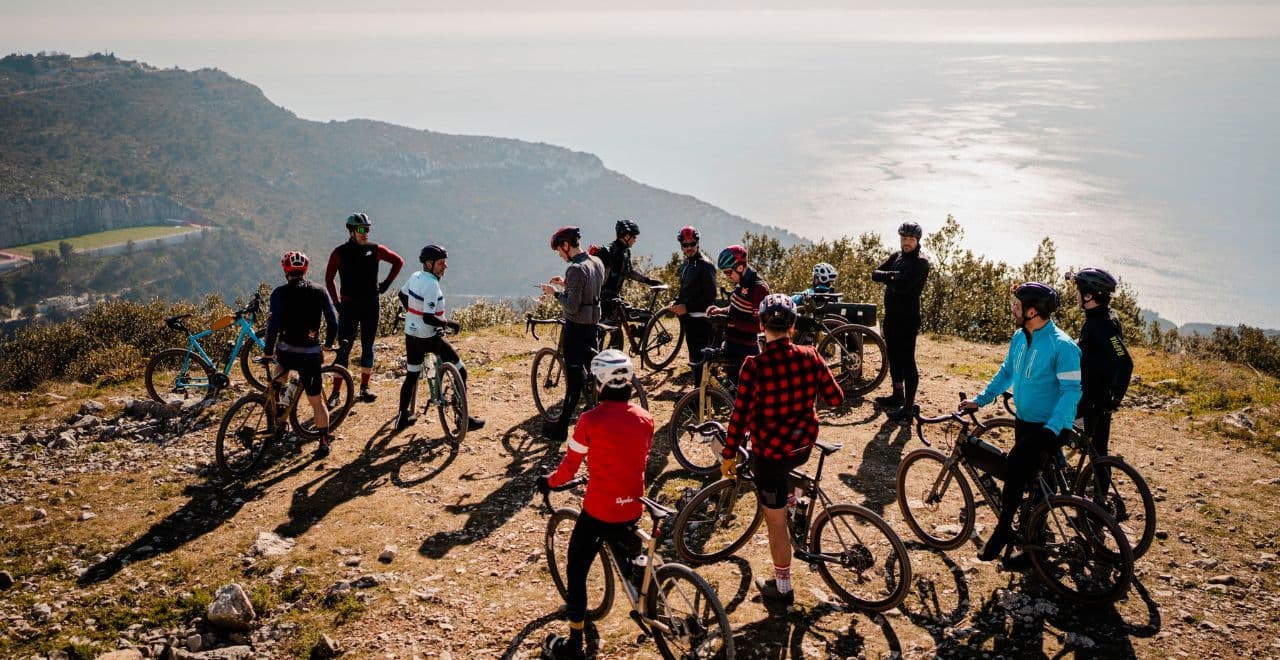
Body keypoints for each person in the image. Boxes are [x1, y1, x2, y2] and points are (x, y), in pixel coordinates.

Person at [719, 294, 844, 606]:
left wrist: (728, 454)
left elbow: (740, 416)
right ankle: (795, 502)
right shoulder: (812, 355)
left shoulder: (754, 365)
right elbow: (836, 399)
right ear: (793, 324)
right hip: (802, 446)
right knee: (787, 476)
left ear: (761, 325)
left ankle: (783, 587)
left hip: (770, 455)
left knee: (775, 525)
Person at [536, 350, 654, 660]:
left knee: (576, 569)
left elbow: (569, 468)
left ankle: (574, 644)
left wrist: (548, 482)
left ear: (598, 383)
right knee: (632, 555)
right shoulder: (646, 419)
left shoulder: (589, 421)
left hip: (600, 510)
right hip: (632, 505)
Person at [959, 282, 1081, 566]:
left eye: (1017, 305)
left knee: (1016, 474)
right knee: (1035, 482)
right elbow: (1007, 372)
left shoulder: (1062, 346)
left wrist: (1052, 429)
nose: (1013, 308)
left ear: (1033, 310)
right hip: (1025, 422)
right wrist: (981, 399)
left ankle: (1006, 532)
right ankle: (1032, 542)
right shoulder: (1020, 336)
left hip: (1049, 427)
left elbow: (1072, 392)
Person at [395, 244, 486, 432]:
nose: (445, 267)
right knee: (461, 371)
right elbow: (429, 318)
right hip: (428, 337)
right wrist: (450, 323)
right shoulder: (431, 284)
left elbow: (402, 295)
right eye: (441, 263)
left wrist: (412, 314)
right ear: (429, 264)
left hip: (411, 335)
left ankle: (402, 416)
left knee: (412, 376)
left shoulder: (415, 276)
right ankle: (462, 417)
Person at [264, 251, 339, 458]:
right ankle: (323, 442)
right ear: (305, 270)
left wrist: (268, 352)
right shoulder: (319, 291)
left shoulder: (279, 293)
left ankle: (279, 414)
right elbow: (333, 322)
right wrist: (328, 344)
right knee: (316, 401)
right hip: (310, 354)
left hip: (286, 352)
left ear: (285, 270)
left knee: (280, 373)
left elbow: (273, 326)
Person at [325, 212, 404, 403]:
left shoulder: (375, 249)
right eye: (362, 230)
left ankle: (364, 388)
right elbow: (329, 279)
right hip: (349, 306)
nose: (366, 233)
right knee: (344, 349)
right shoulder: (339, 252)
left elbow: (398, 261)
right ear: (352, 231)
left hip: (370, 305)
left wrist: (385, 284)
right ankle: (335, 393)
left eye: (368, 229)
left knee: (368, 347)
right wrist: (336, 303)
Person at [539, 226, 606, 443]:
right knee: (593, 371)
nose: (560, 254)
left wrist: (555, 293)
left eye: (560, 250)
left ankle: (560, 431)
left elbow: (572, 306)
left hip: (576, 328)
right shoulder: (596, 262)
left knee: (574, 384)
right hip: (593, 325)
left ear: (566, 246)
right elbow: (589, 288)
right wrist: (567, 284)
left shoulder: (575, 269)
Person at [1068, 267, 1133, 467]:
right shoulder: (1101, 317)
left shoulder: (1103, 324)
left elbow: (1124, 360)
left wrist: (1114, 398)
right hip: (1096, 396)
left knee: (1051, 431)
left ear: (1088, 295)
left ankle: (1094, 494)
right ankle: (1097, 493)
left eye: (1078, 290)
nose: (1075, 294)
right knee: (1097, 450)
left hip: (1093, 398)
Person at [871, 221, 931, 421]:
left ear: (917, 241)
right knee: (894, 358)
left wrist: (890, 278)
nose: (906, 242)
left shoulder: (921, 262)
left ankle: (908, 406)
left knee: (907, 361)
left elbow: (903, 287)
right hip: (891, 317)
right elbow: (875, 274)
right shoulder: (896, 257)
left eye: (910, 239)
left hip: (908, 319)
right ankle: (897, 395)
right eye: (904, 238)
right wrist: (893, 276)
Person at [706, 245, 769, 389]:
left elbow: (758, 326)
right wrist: (720, 311)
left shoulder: (759, 289)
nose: (727, 276)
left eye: (728, 272)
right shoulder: (741, 283)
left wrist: (732, 323)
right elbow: (737, 308)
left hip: (746, 350)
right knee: (732, 388)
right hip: (731, 344)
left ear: (740, 267)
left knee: (745, 392)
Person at [593, 219, 662, 351]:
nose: (635, 240)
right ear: (626, 236)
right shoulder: (609, 252)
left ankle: (613, 355)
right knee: (601, 329)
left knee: (616, 326)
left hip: (613, 297)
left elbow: (629, 272)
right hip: (604, 298)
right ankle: (598, 359)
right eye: (634, 237)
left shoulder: (625, 252)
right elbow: (602, 277)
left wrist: (647, 280)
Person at [665, 226, 716, 383]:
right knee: (695, 360)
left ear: (697, 243)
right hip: (689, 320)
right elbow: (686, 291)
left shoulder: (705, 265)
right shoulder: (686, 265)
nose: (689, 248)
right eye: (685, 245)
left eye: (692, 244)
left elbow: (710, 296)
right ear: (681, 246)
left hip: (702, 321)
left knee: (701, 361)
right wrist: (677, 301)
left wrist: (687, 307)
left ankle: (701, 399)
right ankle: (698, 397)